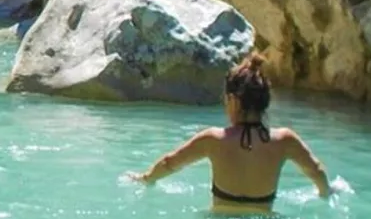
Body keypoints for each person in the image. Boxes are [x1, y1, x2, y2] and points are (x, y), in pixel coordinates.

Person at [126, 54, 332, 210]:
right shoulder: (285, 140)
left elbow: (169, 163)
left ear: (233, 100)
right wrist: (326, 193)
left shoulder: (213, 139)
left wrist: (146, 178)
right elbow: (317, 171)